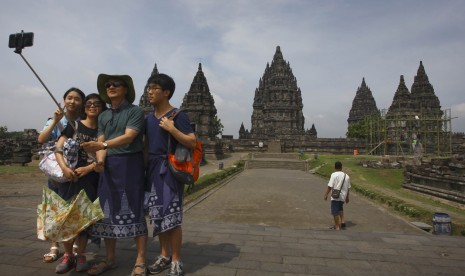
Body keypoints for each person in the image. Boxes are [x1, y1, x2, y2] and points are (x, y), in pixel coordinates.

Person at [82, 74, 148, 276]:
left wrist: (101, 146)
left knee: (134, 208)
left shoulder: (135, 111)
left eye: (116, 84)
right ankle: (110, 258)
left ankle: (140, 260)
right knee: (106, 211)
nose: (111, 87)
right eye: (108, 85)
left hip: (130, 164)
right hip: (109, 165)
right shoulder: (103, 115)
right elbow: (101, 140)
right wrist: (100, 160)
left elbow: (129, 137)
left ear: (126, 88)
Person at [144, 74, 196, 276]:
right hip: (153, 170)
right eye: (149, 87)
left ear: (166, 92)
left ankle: (176, 259)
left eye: (154, 88)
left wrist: (172, 129)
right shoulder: (149, 118)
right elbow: (146, 147)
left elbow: (191, 142)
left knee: (172, 215)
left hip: (171, 170)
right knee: (158, 216)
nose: (149, 91)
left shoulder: (178, 116)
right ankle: (164, 255)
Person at [53, 93, 107, 273]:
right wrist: (64, 169)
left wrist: (90, 168)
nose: (92, 106)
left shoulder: (101, 131)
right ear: (84, 107)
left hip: (89, 178)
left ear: (101, 108)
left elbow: (101, 157)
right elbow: (58, 148)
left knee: (84, 219)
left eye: (97, 104)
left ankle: (81, 254)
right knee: (67, 217)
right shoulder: (74, 126)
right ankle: (68, 255)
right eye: (89, 103)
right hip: (70, 177)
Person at [38, 87, 85, 263]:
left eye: (77, 99)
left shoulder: (84, 122)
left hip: (76, 171)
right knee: (54, 209)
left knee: (73, 210)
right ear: (64, 101)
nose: (72, 102)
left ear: (82, 103)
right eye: (69, 98)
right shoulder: (55, 120)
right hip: (56, 171)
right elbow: (41, 139)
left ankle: (73, 244)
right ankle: (54, 245)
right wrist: (55, 121)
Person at [324, 161, 351, 231]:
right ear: (341, 167)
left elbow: (330, 186)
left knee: (335, 211)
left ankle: (337, 226)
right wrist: (347, 197)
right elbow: (348, 188)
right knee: (340, 208)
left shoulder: (334, 175)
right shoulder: (347, 176)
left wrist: (326, 194)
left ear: (335, 167)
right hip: (343, 196)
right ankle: (342, 222)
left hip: (335, 196)